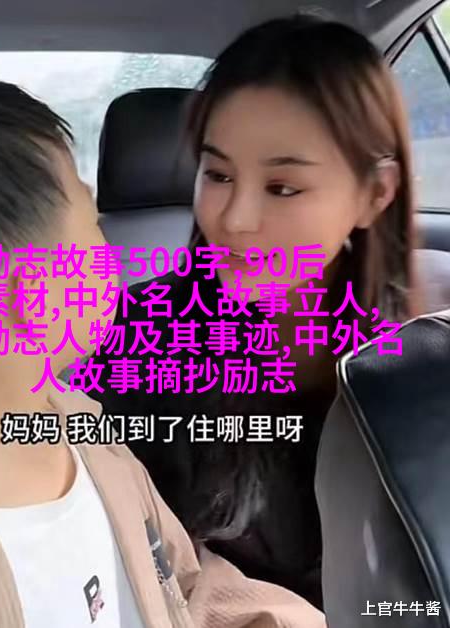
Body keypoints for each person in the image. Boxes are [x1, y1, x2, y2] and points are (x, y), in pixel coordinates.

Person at [0, 66, 325, 627]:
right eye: (93, 226)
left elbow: (177, 580)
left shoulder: (78, 424)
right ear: (35, 295)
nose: (113, 256)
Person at [88, 15, 421, 610]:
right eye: (217, 174)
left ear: (375, 194)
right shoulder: (140, 333)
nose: (234, 219)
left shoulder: (420, 356)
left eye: (282, 187)